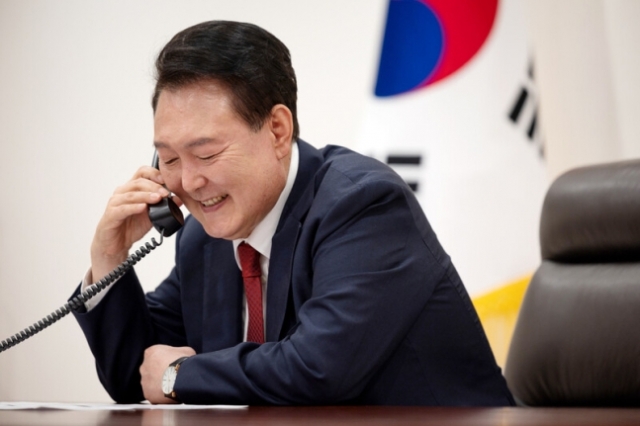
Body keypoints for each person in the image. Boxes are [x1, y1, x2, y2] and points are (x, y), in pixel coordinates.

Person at [72, 20, 515, 406]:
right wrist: (108, 259)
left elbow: (319, 368)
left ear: (278, 131)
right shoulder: (204, 237)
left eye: (205, 154)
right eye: (168, 159)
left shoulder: (363, 206)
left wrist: (180, 376)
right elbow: (139, 375)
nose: (187, 183)